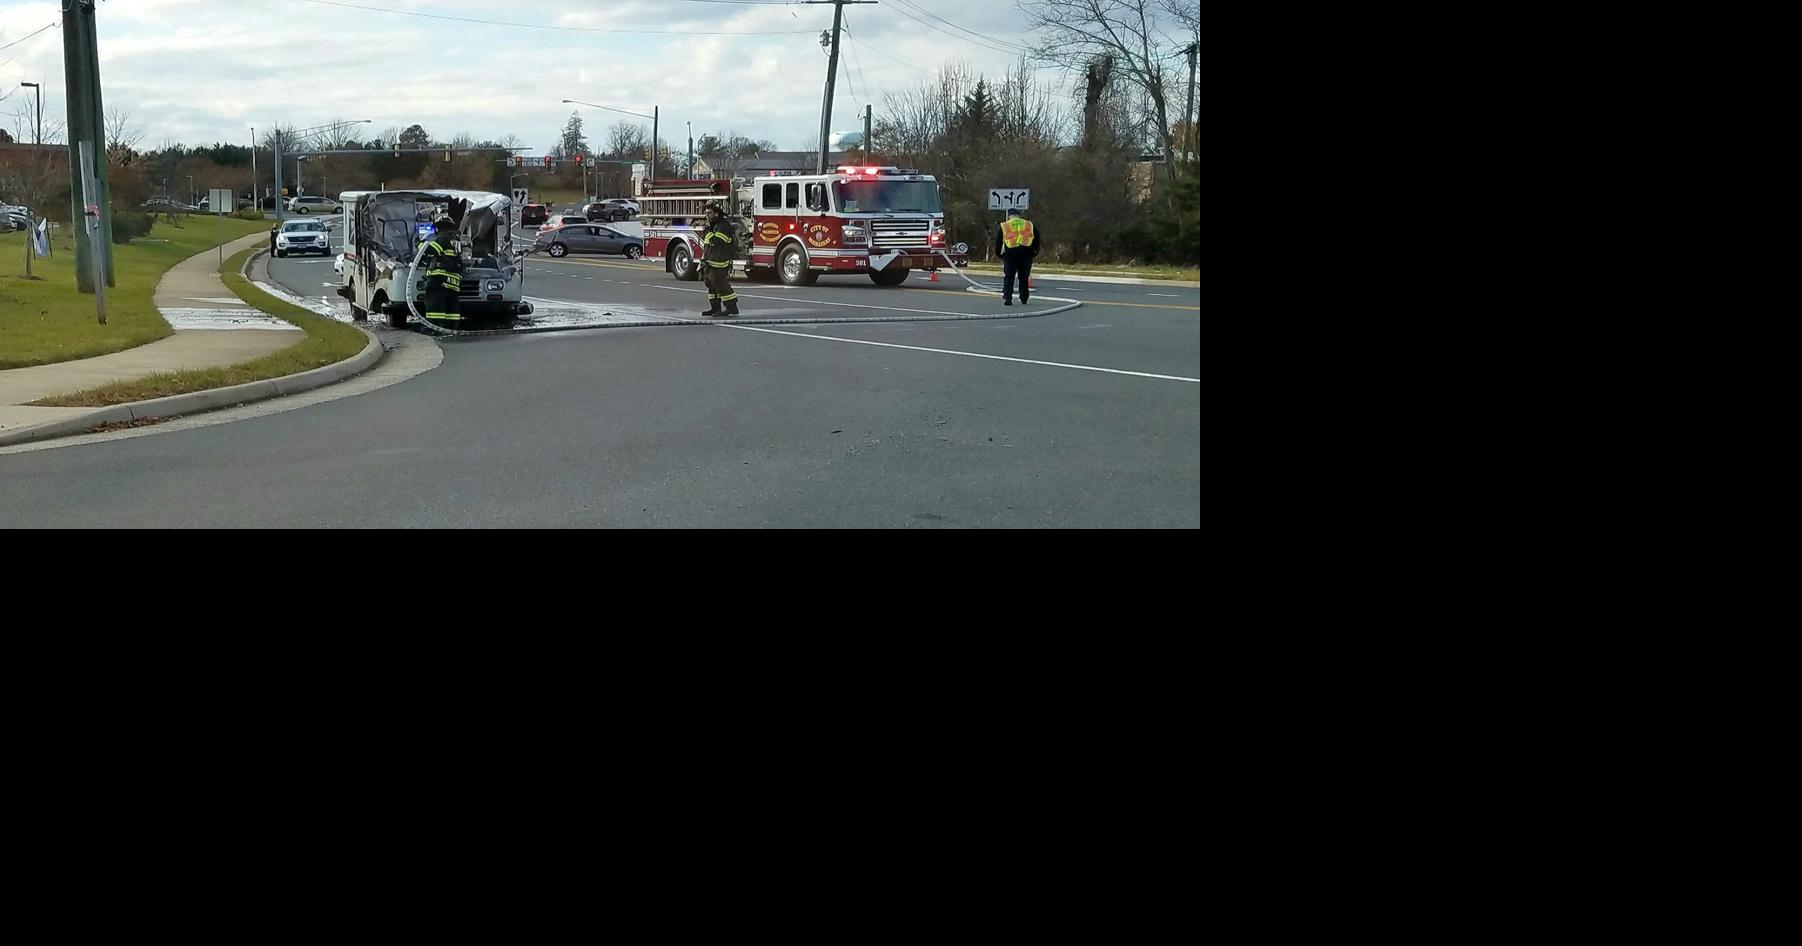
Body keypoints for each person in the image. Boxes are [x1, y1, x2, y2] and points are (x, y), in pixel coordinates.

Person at [419, 216, 463, 325]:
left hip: (439, 278)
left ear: (438, 228)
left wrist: (419, 244)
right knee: (451, 304)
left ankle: (435, 328)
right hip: (453, 280)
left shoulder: (443, 237)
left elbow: (431, 250)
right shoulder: (456, 241)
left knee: (435, 303)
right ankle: (451, 327)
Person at [992, 207, 1040, 306]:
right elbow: (1036, 239)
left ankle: (1007, 298)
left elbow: (998, 242)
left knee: (1009, 277)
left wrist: (999, 254)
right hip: (1026, 255)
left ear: (1009, 216)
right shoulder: (1029, 225)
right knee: (1023, 278)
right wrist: (1034, 252)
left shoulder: (1005, 225)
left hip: (1010, 255)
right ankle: (1024, 298)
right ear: (1019, 215)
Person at [699, 201, 739, 317]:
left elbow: (718, 242)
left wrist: (707, 232)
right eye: (706, 213)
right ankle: (715, 308)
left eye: (709, 213)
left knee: (721, 285)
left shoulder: (723, 226)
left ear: (716, 214)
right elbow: (708, 245)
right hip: (710, 261)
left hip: (719, 262)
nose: (707, 216)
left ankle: (732, 307)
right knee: (710, 284)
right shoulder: (713, 226)